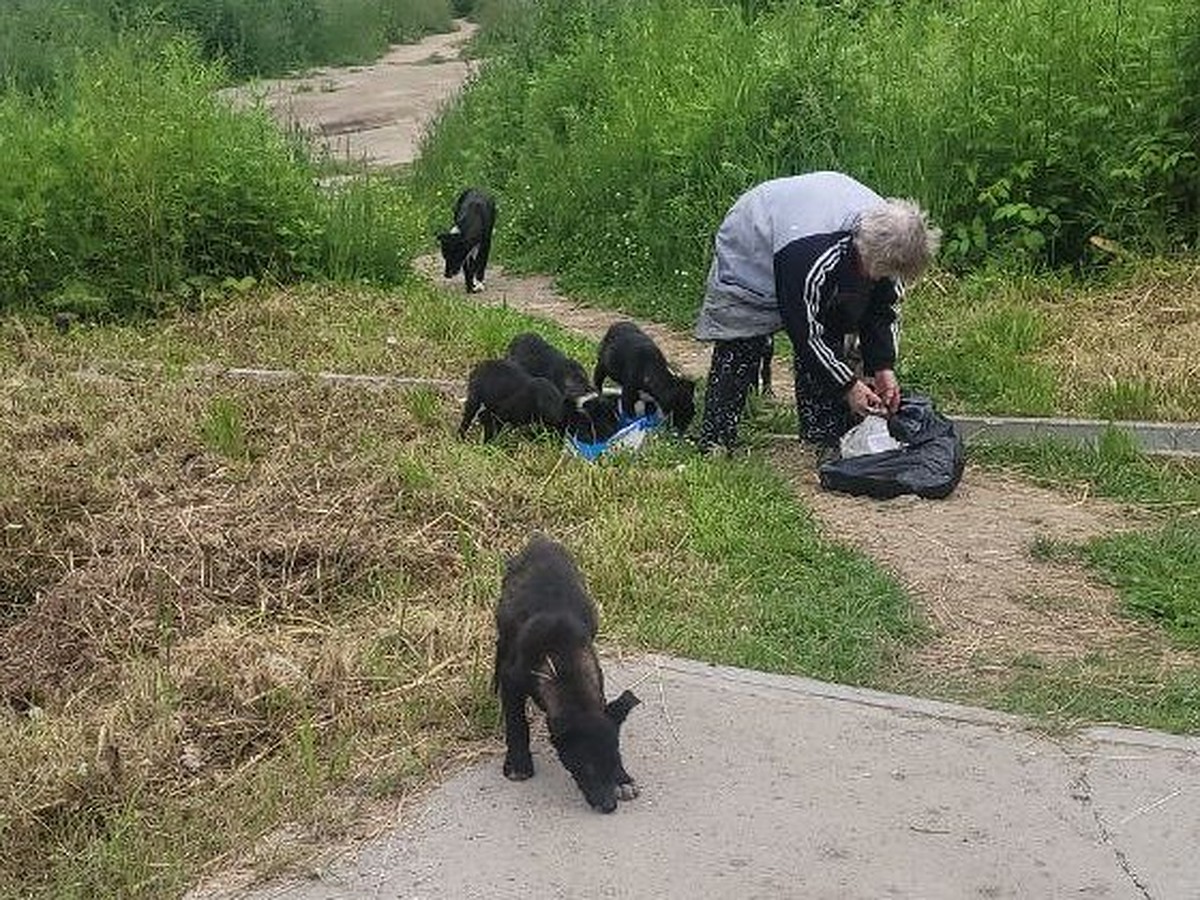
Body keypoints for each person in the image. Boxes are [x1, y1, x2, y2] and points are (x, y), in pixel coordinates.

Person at [694, 171, 941, 453]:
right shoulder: (809, 253)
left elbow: (881, 310)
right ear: (862, 249)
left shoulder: (891, 243)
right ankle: (716, 438)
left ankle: (821, 433)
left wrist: (882, 367)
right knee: (742, 340)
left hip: (813, 232)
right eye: (876, 271)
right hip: (754, 234)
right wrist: (848, 386)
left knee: (835, 322)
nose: (878, 278)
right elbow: (803, 327)